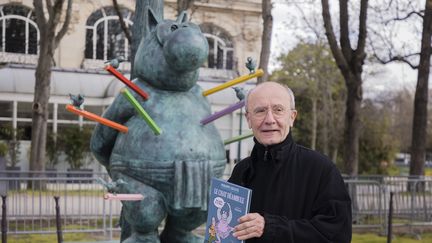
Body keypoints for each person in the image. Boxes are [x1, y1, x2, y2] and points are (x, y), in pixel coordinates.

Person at [228, 81, 352, 243]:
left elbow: (336, 235)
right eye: (260, 111)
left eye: (278, 110)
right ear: (248, 119)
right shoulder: (241, 170)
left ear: (292, 117)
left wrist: (270, 228)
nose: (269, 119)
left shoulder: (321, 169)